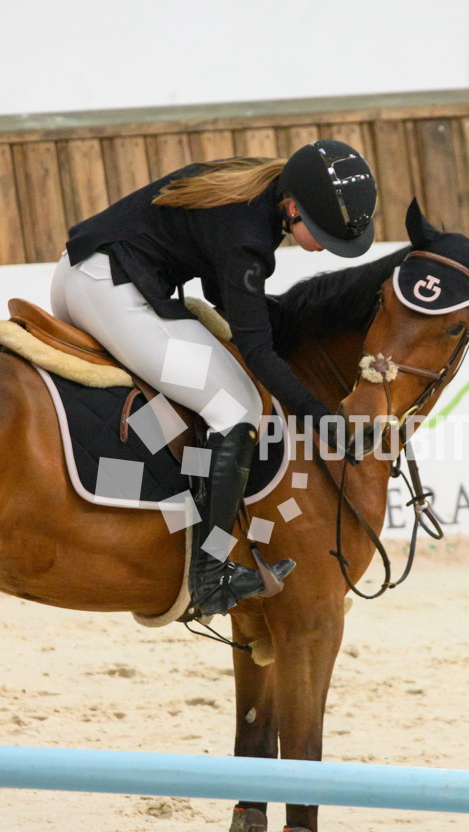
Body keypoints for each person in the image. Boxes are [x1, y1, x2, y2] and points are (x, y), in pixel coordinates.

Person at [50, 139, 378, 618]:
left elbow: (220, 290)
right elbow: (257, 350)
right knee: (239, 407)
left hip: (83, 274)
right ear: (292, 208)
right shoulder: (248, 236)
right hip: (110, 291)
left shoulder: (252, 186)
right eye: (324, 236)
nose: (324, 248)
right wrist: (318, 415)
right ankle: (210, 574)